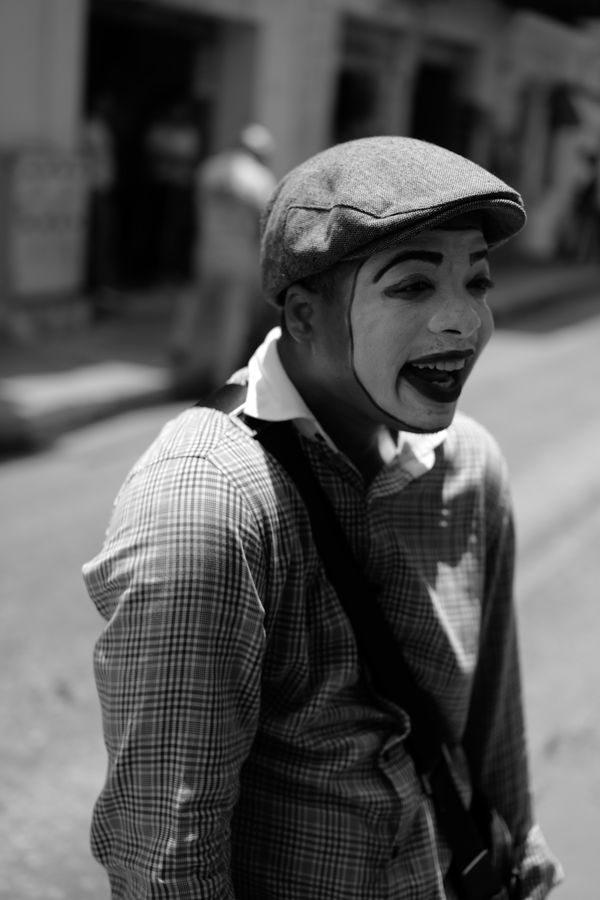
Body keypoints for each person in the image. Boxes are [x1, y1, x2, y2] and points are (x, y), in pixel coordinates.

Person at [83, 136, 563, 899]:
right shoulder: (209, 505)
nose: (464, 321)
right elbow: (168, 862)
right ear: (304, 315)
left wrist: (516, 835)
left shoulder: (470, 467)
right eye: (412, 287)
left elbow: (491, 726)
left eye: (478, 280)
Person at [169, 123, 278, 397]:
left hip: (207, 253)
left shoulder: (210, 169)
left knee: (202, 316)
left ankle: (188, 373)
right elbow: (264, 225)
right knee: (232, 320)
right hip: (240, 258)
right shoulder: (260, 179)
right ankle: (219, 380)